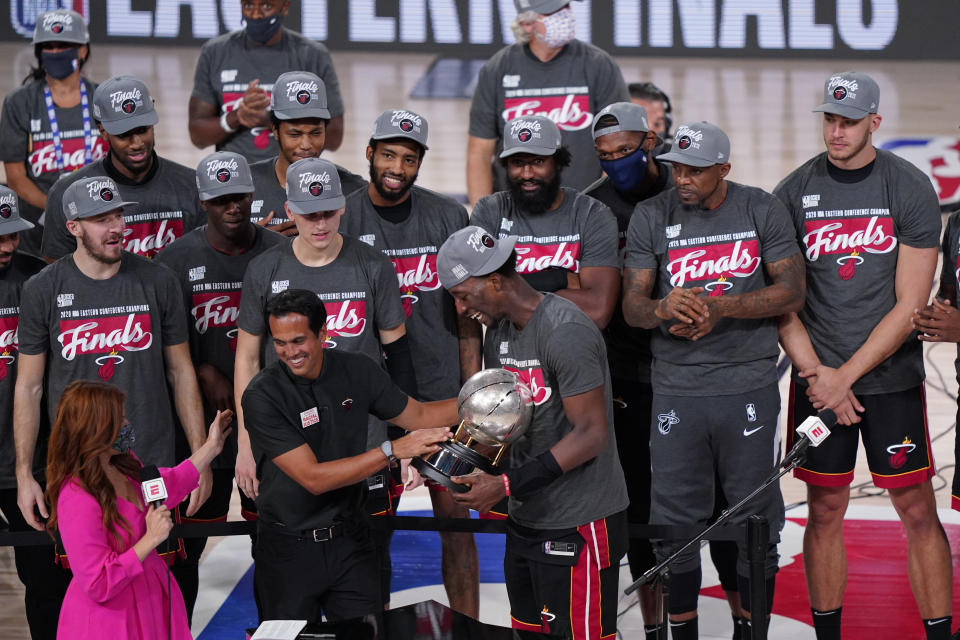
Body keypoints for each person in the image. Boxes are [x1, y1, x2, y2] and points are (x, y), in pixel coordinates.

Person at [775, 71, 952, 640]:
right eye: (830, 118)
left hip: (889, 379)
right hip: (817, 378)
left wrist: (841, 378)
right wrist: (817, 376)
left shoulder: (908, 187)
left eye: (849, 120)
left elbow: (910, 305)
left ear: (875, 121)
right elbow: (785, 302)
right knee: (824, 509)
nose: (837, 130)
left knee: (917, 509)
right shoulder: (794, 192)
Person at [622, 121, 805, 639]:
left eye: (697, 171)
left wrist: (720, 307)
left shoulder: (760, 208)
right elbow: (632, 307)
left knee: (754, 520)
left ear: (724, 169)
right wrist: (660, 306)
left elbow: (791, 290)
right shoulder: (650, 215)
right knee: (675, 527)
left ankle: (753, 632)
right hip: (676, 390)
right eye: (678, 167)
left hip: (747, 386)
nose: (683, 179)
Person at [436, 226, 629, 638]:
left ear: (494, 281)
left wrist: (504, 484)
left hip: (578, 520)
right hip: (527, 518)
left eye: (462, 295)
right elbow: (507, 422)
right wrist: (460, 458)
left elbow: (592, 434)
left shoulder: (565, 332)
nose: (459, 307)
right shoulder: (501, 332)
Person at [14, 176, 212, 540]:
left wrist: (198, 459)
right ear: (73, 227)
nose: (117, 228)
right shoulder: (42, 289)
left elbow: (180, 372)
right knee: (93, 576)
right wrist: (25, 474)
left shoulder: (159, 280)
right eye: (102, 219)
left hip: (151, 462)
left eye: (118, 216)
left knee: (161, 573)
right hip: (77, 465)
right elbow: (28, 387)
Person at [242, 288, 457, 621]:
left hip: (351, 541)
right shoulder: (261, 396)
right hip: (287, 549)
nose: (289, 352)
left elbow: (420, 416)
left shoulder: (358, 371)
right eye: (279, 342)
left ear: (323, 333)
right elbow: (313, 479)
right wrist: (392, 450)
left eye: (298, 340)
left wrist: (480, 402)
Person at [342, 108, 482, 617]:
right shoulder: (345, 216)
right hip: (370, 402)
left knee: (457, 526)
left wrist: (471, 392)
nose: (396, 166)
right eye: (388, 155)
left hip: (442, 394)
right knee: (371, 533)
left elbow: (467, 315)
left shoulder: (448, 217)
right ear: (370, 155)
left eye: (408, 157)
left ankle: (465, 627)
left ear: (420, 162)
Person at [155, 151, 284, 620]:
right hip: (200, 427)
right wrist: (203, 368)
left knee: (271, 544)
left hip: (267, 425)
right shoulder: (174, 260)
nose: (232, 207)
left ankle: (275, 628)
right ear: (202, 202)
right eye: (219, 200)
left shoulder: (277, 253)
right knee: (187, 546)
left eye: (239, 197)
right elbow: (164, 352)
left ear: (252, 195)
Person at [45, 379, 232, 640]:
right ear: (95, 428)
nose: (126, 424)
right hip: (111, 619)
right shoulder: (76, 497)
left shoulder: (125, 463)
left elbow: (166, 484)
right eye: (119, 418)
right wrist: (151, 539)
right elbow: (98, 583)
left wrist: (211, 448)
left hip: (151, 600)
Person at [466, 0, 627, 205]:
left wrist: (607, 208)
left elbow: (618, 142)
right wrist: (481, 218)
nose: (565, 15)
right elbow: (479, 151)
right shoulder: (497, 69)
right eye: (554, 12)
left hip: (583, 207)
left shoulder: (599, 65)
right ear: (527, 24)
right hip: (515, 210)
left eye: (566, 7)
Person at [470, 115, 619, 329]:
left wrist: (508, 290)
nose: (527, 174)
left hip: (573, 355)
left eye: (538, 162)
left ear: (558, 163)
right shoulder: (490, 211)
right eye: (517, 163)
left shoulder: (591, 214)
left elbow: (597, 311)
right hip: (508, 358)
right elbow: (481, 297)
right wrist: (560, 278)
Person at [0, 187, 70, 640]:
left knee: (45, 580)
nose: (8, 246)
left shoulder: (37, 280)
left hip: (28, 459)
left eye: (13, 236)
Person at [41, 74, 202, 260]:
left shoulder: (192, 186)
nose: (137, 143)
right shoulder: (65, 193)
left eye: (143, 130)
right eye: (124, 135)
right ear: (103, 131)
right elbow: (57, 276)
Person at [0, 9, 107, 256]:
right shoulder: (19, 102)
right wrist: (59, 209)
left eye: (64, 45)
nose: (56, 52)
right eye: (49, 46)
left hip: (98, 217)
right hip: (38, 226)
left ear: (83, 49)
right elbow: (16, 178)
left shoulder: (102, 98)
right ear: (39, 52)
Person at [189, 0, 344, 163]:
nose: (256, 14)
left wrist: (272, 120)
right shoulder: (214, 52)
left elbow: (334, 136)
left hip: (292, 177)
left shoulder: (312, 56)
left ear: (284, 8)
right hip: (233, 178)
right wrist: (237, 116)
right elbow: (198, 136)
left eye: (266, 6)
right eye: (248, 6)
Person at [248, 71, 365, 236]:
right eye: (295, 135)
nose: (306, 145)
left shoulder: (353, 190)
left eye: (316, 133)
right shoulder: (246, 184)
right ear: (275, 131)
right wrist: (252, 244)